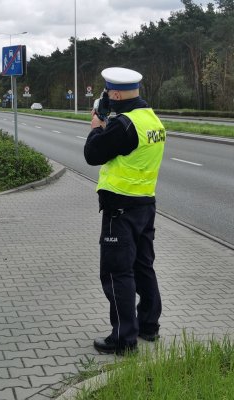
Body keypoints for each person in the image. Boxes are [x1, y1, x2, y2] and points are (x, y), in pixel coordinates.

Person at [84, 67, 166, 354]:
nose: (106, 98)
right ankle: (148, 326)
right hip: (146, 204)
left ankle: (123, 339)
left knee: (117, 272)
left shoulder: (124, 126)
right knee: (143, 266)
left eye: (108, 94)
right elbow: (128, 150)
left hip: (120, 208)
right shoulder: (151, 119)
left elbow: (93, 155)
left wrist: (96, 125)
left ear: (116, 94)